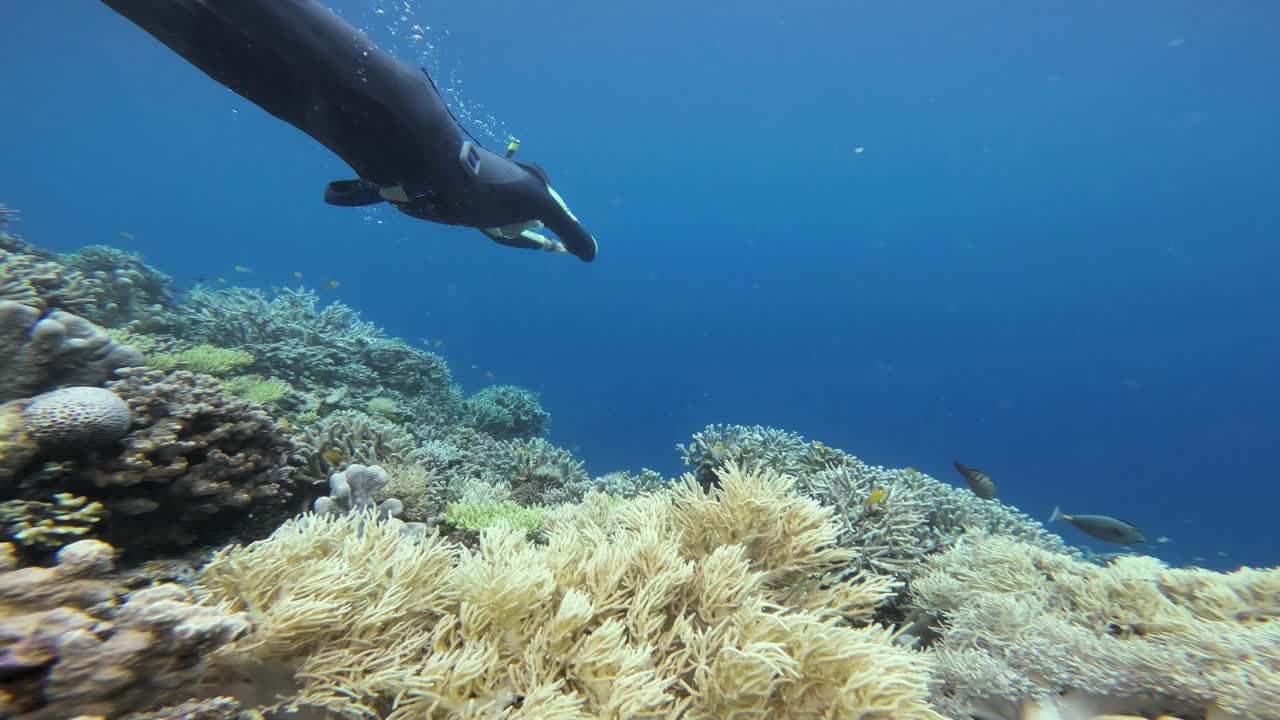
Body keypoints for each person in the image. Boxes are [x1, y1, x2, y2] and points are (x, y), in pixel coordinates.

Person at [98, 0, 598, 261]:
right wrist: (560, 234)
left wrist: (545, 247)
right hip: (403, 107)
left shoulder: (491, 225)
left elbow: (518, 240)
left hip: (333, 126)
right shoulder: (529, 195)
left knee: (204, 41)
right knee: (269, 13)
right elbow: (585, 247)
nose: (527, 231)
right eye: (533, 229)